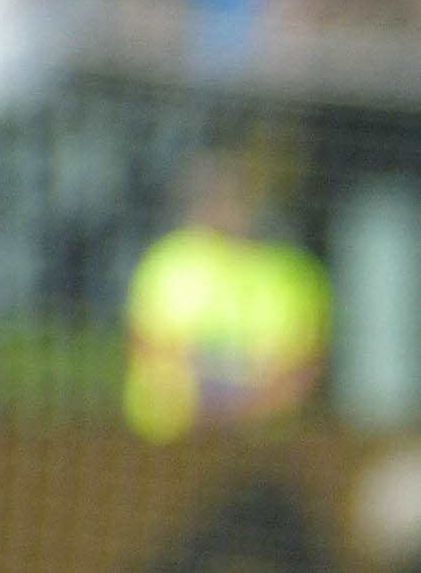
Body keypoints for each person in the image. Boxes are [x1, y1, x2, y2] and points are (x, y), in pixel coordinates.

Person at [123, 160, 327, 440]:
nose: (222, 209)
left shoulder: (290, 272)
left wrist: (244, 414)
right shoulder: (167, 263)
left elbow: (301, 367)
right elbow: (149, 348)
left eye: (232, 197)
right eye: (211, 197)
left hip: (263, 445)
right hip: (169, 442)